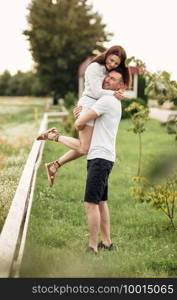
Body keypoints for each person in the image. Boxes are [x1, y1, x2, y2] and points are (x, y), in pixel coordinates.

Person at [36, 45, 131, 186]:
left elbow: (109, 90)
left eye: (116, 64)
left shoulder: (107, 70)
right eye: (111, 60)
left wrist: (118, 93)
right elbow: (95, 92)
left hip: (94, 106)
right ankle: (52, 136)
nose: (112, 65)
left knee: (88, 146)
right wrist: (114, 94)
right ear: (107, 54)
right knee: (85, 148)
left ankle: (54, 165)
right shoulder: (94, 67)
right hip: (88, 105)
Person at [73, 69, 123, 253]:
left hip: (100, 157)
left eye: (113, 79)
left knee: (90, 203)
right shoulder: (113, 101)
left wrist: (79, 114)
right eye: (108, 76)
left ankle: (93, 247)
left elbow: (79, 124)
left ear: (120, 86)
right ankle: (107, 243)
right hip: (104, 156)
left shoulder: (106, 100)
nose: (108, 80)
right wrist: (82, 112)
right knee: (101, 202)